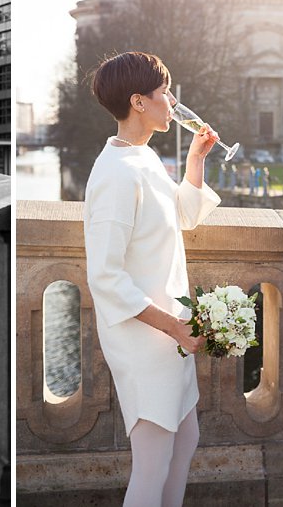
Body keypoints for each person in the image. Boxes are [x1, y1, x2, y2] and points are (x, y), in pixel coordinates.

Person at [83, 52, 221, 506]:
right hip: (147, 338)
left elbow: (180, 216)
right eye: (165, 94)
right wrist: (172, 326)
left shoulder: (143, 157)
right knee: (153, 463)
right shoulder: (115, 174)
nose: (173, 103)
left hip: (168, 335)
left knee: (183, 445)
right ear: (138, 102)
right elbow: (105, 275)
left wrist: (196, 161)